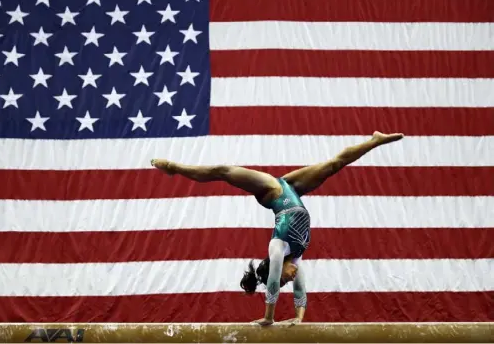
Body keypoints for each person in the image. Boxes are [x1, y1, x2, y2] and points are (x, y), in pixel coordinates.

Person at [151, 131, 404, 326]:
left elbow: (272, 279)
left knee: (224, 171)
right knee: (333, 165)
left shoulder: (277, 247)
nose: (290, 277)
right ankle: (375, 140)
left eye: (285, 277)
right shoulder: (296, 255)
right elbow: (300, 289)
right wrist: (299, 317)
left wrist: (269, 316)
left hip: (271, 192)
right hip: (290, 190)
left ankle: (175, 168)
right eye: (287, 280)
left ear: (278, 266)